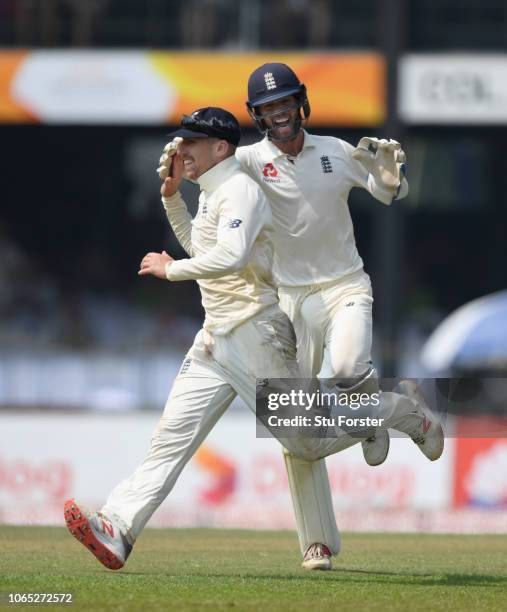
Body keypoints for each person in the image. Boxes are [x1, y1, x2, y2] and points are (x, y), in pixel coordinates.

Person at [235, 63, 445, 570]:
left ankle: (397, 415)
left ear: (300, 102)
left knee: (350, 369)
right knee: (295, 423)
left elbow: (387, 191)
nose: (279, 113)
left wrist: (394, 179)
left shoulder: (333, 150)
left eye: (285, 102)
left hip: (345, 284)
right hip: (288, 299)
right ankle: (317, 542)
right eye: (268, 107)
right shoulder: (245, 161)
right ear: (257, 115)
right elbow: (210, 167)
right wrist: (182, 167)